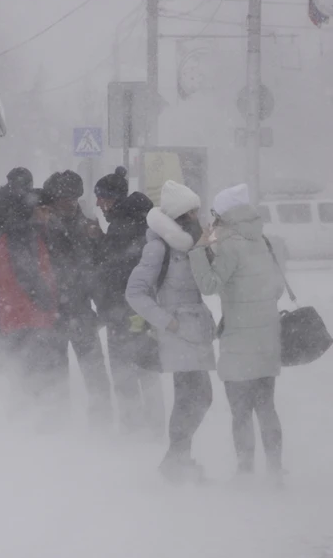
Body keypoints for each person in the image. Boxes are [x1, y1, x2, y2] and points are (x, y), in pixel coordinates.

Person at [188, 184, 286, 483]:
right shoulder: (265, 241)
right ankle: (275, 471)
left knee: (241, 411)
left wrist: (198, 250)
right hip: (268, 337)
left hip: (239, 343)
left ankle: (245, 471)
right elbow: (277, 288)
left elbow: (209, 285)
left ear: (226, 216)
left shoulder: (229, 246)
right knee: (267, 407)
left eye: (216, 215)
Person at [125, 180, 216, 482]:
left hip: (196, 331)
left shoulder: (195, 245)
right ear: (180, 216)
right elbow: (135, 292)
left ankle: (177, 459)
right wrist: (168, 322)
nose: (198, 217)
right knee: (192, 396)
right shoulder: (158, 247)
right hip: (177, 333)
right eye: (193, 212)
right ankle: (178, 462)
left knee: (199, 396)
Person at [94, 167, 165, 438]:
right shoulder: (140, 221)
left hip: (123, 313)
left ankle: (133, 430)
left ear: (113, 198)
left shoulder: (122, 227)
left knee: (125, 372)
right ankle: (157, 426)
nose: (98, 204)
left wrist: (107, 309)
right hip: (144, 311)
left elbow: (115, 272)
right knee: (147, 369)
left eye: (101, 198)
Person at [41, 170, 113, 428]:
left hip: (79, 310)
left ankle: (101, 424)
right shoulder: (43, 226)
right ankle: (57, 425)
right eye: (64, 197)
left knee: (94, 371)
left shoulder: (86, 226)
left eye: (73, 197)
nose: (69, 202)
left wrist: (102, 305)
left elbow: (99, 267)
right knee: (55, 372)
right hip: (53, 311)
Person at [0, 188, 63, 392]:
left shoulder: (20, 232)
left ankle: (28, 419)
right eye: (45, 210)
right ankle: (33, 421)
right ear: (33, 209)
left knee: (25, 379)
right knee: (34, 381)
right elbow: (27, 275)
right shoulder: (22, 234)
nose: (49, 216)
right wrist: (48, 304)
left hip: (19, 317)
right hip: (27, 319)